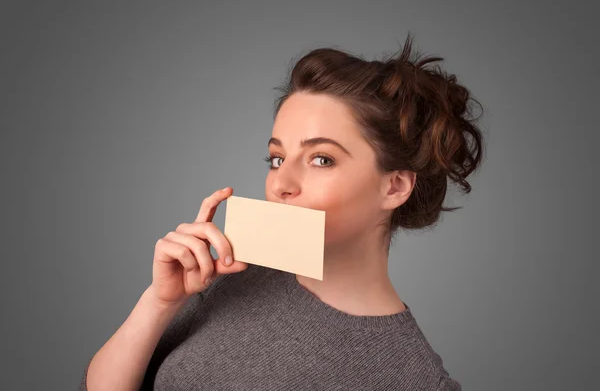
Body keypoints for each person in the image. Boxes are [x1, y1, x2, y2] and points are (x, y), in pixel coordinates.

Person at [79, 33, 484, 390]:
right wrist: (160, 301)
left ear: (394, 186)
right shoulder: (236, 276)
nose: (281, 182)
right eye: (277, 158)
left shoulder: (413, 380)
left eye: (321, 159)